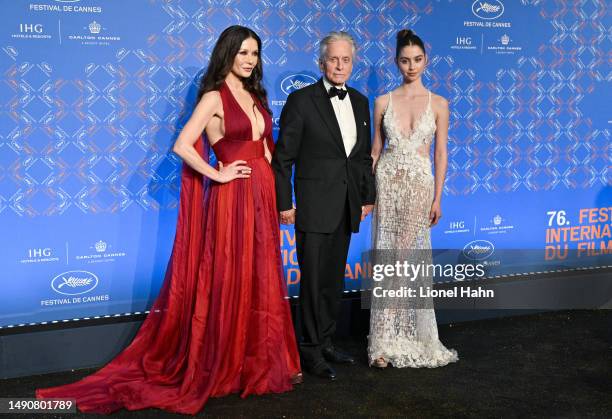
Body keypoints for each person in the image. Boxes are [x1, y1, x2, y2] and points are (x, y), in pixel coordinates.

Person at [36, 25, 301, 414]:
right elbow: (182, 146)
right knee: (229, 276)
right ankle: (224, 364)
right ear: (226, 53)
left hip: (261, 194)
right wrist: (218, 174)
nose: (249, 60)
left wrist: (279, 196)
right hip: (232, 200)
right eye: (243, 52)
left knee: (257, 276)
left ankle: (253, 362)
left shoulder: (255, 95)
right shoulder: (214, 97)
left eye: (255, 54)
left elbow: (264, 149)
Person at [272, 31, 376, 381]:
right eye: (334, 59)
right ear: (321, 62)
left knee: (332, 280)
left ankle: (327, 341)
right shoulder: (301, 101)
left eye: (346, 59)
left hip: (346, 206)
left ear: (353, 63)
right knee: (314, 282)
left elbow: (362, 159)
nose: (340, 65)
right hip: (313, 207)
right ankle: (310, 351)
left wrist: (367, 196)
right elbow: (282, 158)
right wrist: (285, 203)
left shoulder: (361, 102)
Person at [367, 29, 458, 368]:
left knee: (406, 260)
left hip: (419, 187)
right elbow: (375, 153)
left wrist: (438, 199)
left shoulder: (439, 103)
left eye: (417, 60)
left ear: (426, 61)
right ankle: (380, 342)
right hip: (387, 186)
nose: (411, 66)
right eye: (405, 60)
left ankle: (410, 337)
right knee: (388, 259)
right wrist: (367, 193)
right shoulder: (382, 102)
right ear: (396, 62)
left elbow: (440, 155)